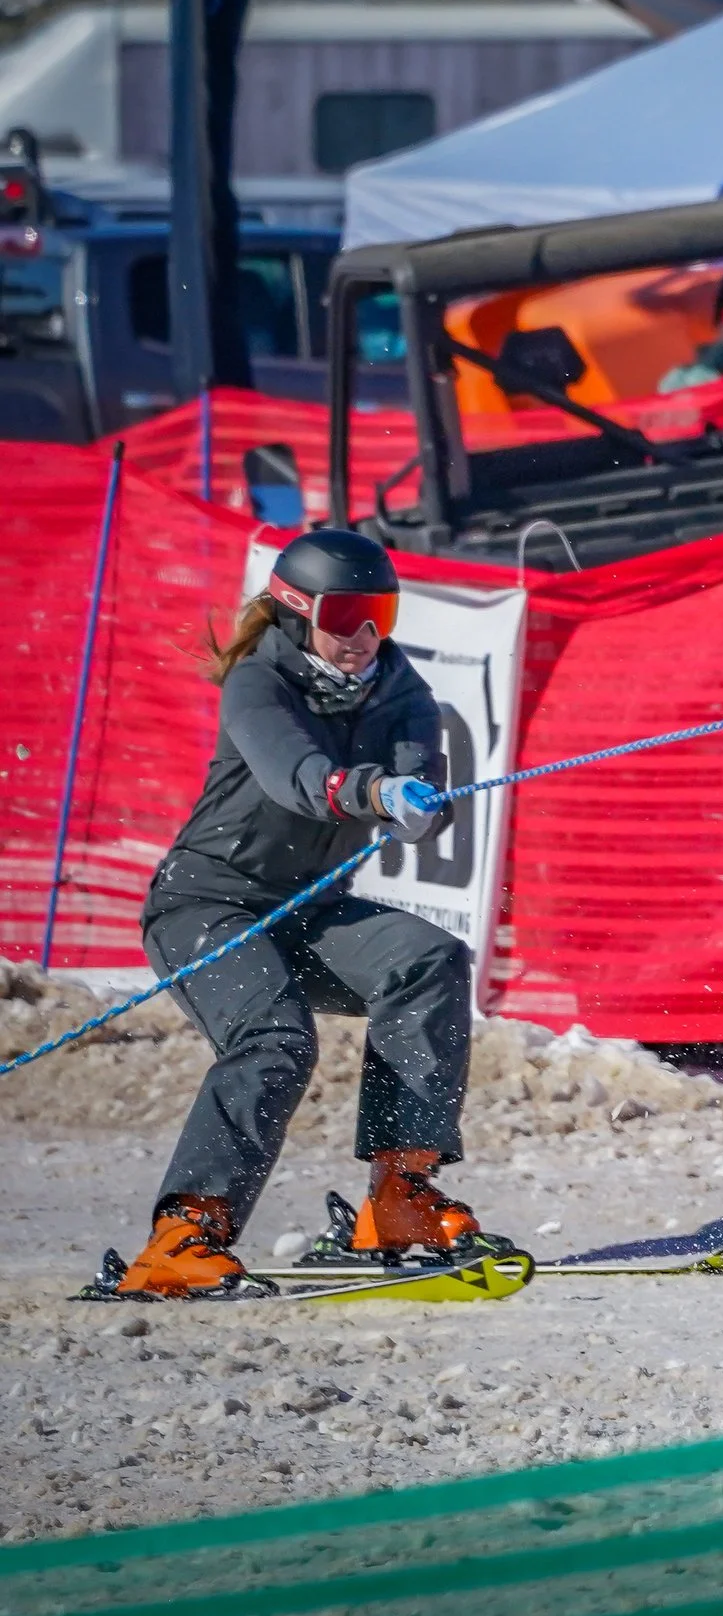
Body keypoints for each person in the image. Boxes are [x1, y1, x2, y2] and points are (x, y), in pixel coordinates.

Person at [112, 530, 504, 1297]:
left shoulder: (398, 687)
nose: (362, 636)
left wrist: (422, 804)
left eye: (378, 615)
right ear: (296, 609)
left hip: (306, 909)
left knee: (427, 957)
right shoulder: (257, 683)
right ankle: (185, 1232)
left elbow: (424, 780)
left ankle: (398, 1198)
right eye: (346, 613)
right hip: (205, 906)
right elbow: (298, 776)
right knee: (274, 1036)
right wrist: (371, 792)